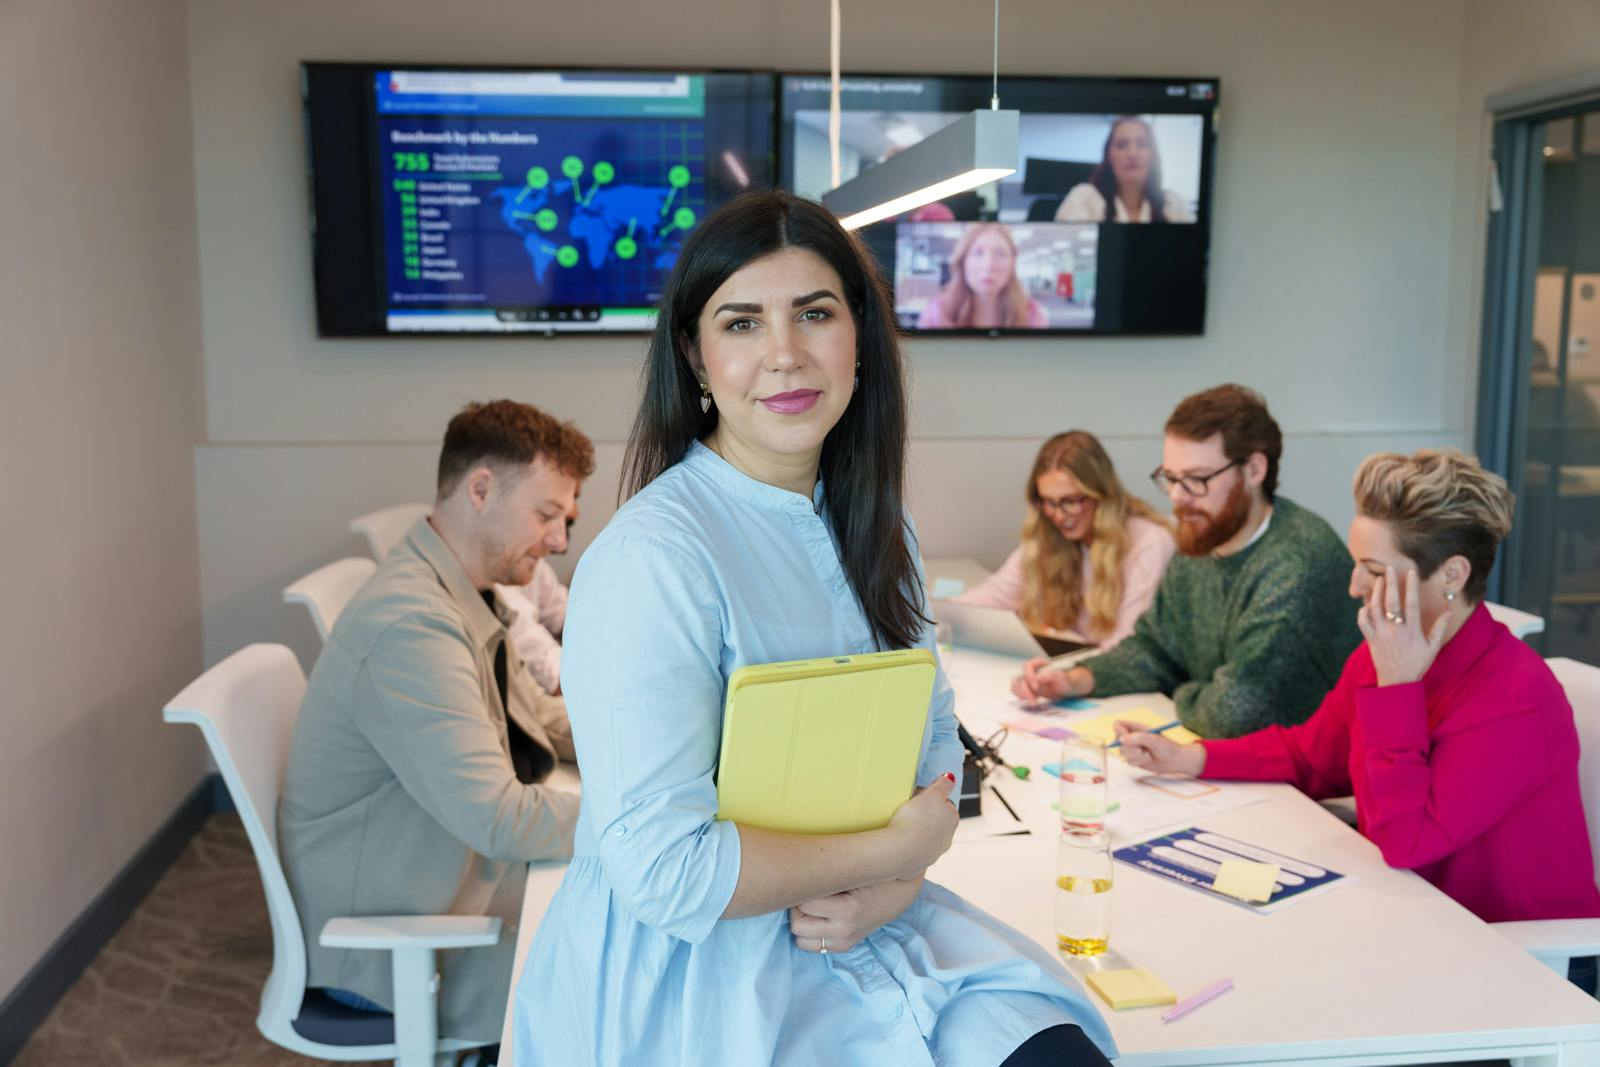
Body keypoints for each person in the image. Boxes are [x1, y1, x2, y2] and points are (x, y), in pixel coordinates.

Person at [514, 189, 1114, 1066]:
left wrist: (901, 874)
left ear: (860, 337)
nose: (786, 354)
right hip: (701, 971)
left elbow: (933, 732)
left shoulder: (879, 522)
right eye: (742, 322)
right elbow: (665, 871)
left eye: (815, 313)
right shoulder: (653, 558)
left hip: (870, 920)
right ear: (694, 355)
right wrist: (893, 850)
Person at [1114, 449, 1600, 992]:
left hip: (1522, 968)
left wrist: (1397, 689)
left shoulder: (1514, 696)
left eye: (1374, 571)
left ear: (1452, 574)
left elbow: (1407, 841)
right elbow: (1311, 755)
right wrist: (1191, 757)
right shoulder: (1385, 651)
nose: (1354, 586)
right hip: (1416, 924)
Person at [278, 399, 593, 1043]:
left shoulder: (459, 590)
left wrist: (662, 754)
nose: (559, 542)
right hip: (393, 952)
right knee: (641, 975)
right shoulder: (414, 625)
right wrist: (654, 817)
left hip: (449, 888)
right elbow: (501, 819)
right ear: (481, 489)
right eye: (546, 515)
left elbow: (541, 718)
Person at [1012, 385, 1360, 738]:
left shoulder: (1294, 564)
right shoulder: (1205, 534)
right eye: (1171, 478)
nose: (1178, 497)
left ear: (1254, 470)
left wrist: (1181, 689)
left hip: (1305, 770)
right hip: (1232, 753)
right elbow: (1155, 648)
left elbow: (1235, 715)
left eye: (1196, 479)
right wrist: (1076, 679)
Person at [956, 430, 1175, 648]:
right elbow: (993, 596)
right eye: (1049, 502)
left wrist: (1071, 670)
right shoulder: (1049, 537)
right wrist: (940, 618)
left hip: (1112, 666)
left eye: (1070, 501)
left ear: (1101, 494)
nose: (1059, 516)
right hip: (1081, 662)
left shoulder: (1150, 542)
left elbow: (1129, 645)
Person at [496, 485, 581, 700]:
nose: (575, 512)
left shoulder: (534, 565)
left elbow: (567, 613)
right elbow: (560, 678)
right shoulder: (496, 591)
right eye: (548, 513)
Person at [1054, 115, 1194, 224]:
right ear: (1109, 155)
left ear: (1153, 155)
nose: (1132, 154)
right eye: (1122, 145)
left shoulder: (1175, 205)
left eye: (1142, 144)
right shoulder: (1084, 199)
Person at [916, 223, 1050, 329]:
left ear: (1013, 263)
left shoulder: (1033, 315)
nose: (988, 265)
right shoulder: (935, 313)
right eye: (978, 253)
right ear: (963, 262)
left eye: (1000, 254)